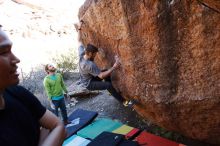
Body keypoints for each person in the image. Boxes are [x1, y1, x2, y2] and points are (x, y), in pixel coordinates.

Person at [0, 26, 66, 146]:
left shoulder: (18, 93)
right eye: (4, 52)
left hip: (61, 97)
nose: (16, 59)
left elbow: (57, 125)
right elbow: (51, 128)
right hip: (55, 99)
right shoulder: (46, 80)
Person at [75, 21, 134, 107]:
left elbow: (79, 40)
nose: (95, 56)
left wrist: (79, 28)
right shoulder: (89, 65)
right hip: (89, 83)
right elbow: (101, 76)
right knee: (108, 85)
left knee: (106, 71)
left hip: (89, 76)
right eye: (95, 54)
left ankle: (111, 91)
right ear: (90, 54)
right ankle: (124, 102)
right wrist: (114, 67)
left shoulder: (82, 54)